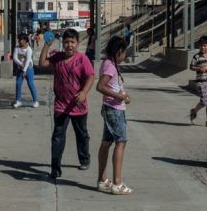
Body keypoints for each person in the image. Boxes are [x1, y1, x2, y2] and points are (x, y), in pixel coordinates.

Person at [39, 28, 95, 180]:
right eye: (66, 42)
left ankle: (84, 159)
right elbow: (42, 63)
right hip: (61, 105)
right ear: (62, 44)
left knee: (82, 134)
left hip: (78, 106)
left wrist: (84, 92)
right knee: (58, 136)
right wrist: (46, 45)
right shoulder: (57, 57)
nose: (69, 45)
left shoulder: (83, 59)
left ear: (77, 43)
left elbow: (90, 77)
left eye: (72, 42)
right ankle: (55, 169)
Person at [97, 36, 133, 195]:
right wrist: (119, 97)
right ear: (119, 51)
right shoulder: (110, 66)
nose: (125, 55)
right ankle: (117, 183)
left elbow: (113, 86)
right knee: (121, 142)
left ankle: (103, 179)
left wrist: (123, 95)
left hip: (112, 106)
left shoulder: (111, 65)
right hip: (114, 109)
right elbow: (101, 86)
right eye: (125, 52)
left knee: (106, 142)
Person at [12, 33, 39, 108]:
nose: (21, 41)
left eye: (23, 40)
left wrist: (24, 70)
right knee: (18, 84)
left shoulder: (29, 49)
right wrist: (21, 64)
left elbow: (28, 60)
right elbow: (15, 58)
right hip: (20, 68)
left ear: (26, 41)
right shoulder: (17, 48)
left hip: (28, 68)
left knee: (30, 84)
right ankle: (18, 101)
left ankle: (35, 101)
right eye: (20, 39)